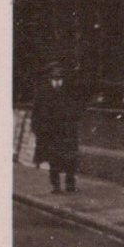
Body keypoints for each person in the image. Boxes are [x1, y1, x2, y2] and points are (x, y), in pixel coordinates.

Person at [31, 60, 81, 194]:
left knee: (70, 159)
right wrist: (37, 128)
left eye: (59, 73)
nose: (57, 75)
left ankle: (70, 184)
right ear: (50, 76)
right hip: (50, 132)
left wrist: (73, 122)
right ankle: (56, 186)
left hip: (67, 131)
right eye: (54, 73)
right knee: (54, 160)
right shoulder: (42, 91)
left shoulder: (70, 89)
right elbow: (36, 111)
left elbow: (77, 107)